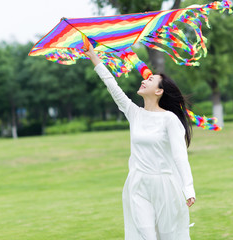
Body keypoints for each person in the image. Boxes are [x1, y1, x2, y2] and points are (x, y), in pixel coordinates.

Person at [84, 43, 196, 240]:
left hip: (164, 185)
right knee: (145, 235)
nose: (144, 81)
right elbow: (112, 86)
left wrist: (188, 188)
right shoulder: (134, 113)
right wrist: (93, 57)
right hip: (138, 183)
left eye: (150, 80)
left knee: (169, 236)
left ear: (159, 91)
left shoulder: (169, 119)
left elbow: (180, 156)